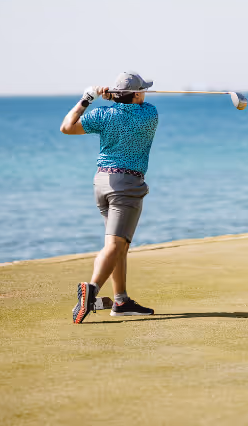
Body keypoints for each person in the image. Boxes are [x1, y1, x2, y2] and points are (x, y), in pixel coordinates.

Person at [60, 72, 159, 324]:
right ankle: (91, 291)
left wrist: (88, 98)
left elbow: (67, 127)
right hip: (126, 185)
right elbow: (139, 104)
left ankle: (121, 301)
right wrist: (116, 97)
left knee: (119, 245)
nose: (146, 93)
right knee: (115, 245)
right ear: (136, 94)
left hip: (102, 183)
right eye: (142, 90)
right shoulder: (149, 114)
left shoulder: (103, 115)